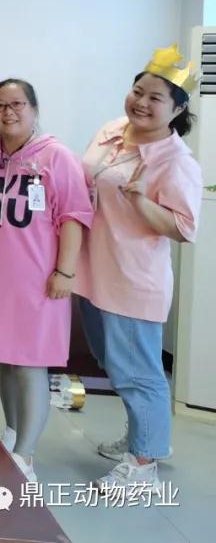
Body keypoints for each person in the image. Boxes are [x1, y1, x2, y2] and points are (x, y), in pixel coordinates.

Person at [75, 46, 201, 493]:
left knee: (138, 371)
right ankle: (142, 438)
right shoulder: (112, 130)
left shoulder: (175, 160)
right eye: (137, 92)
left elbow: (184, 229)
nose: (141, 103)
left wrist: (142, 201)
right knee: (113, 361)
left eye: (155, 98)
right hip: (91, 270)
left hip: (131, 279)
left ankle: (144, 463)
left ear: (177, 109)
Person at [0, 79, 93, 482]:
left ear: (34, 109)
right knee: (4, 360)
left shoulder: (57, 157)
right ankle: (13, 432)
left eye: (17, 104)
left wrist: (65, 272)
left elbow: (74, 218)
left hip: (37, 281)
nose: (8, 112)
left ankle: (26, 455)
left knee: (30, 365)